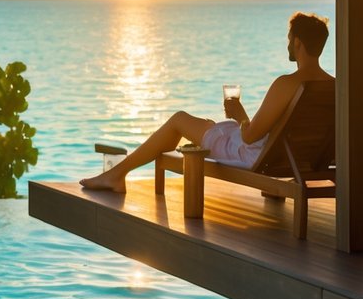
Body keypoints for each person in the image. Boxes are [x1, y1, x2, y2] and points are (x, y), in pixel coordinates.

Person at [80, 11, 331, 194]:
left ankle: (117, 174)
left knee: (179, 120)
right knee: (211, 126)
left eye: (289, 39)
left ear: (297, 42)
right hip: (295, 159)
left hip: (254, 156)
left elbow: (250, 137)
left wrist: (240, 115)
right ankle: (119, 173)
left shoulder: (287, 84)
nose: (288, 44)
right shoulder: (335, 87)